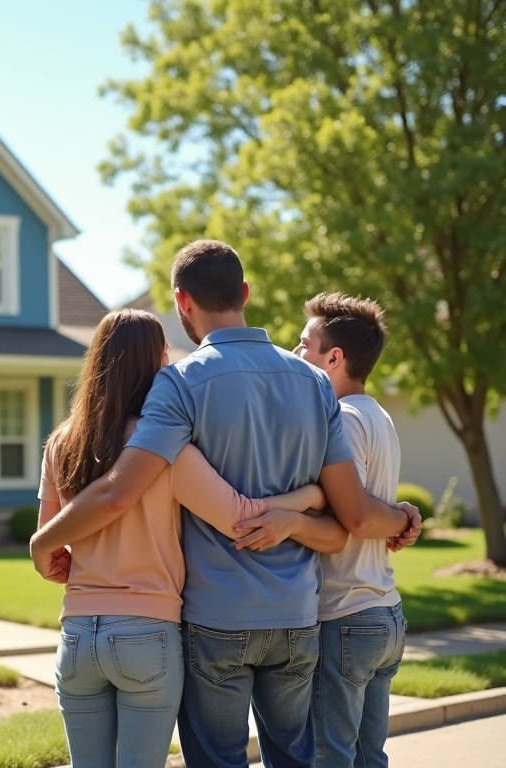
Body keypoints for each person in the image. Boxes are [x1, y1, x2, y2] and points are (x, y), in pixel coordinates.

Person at [31, 240, 421, 768]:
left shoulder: (177, 385)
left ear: (181, 302)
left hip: (212, 617)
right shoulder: (314, 383)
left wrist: (43, 541)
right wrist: (322, 509)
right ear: (244, 292)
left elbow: (121, 489)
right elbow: (345, 519)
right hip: (296, 614)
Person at [39, 307, 325, 768]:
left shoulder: (61, 444)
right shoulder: (165, 450)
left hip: (76, 635)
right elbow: (241, 517)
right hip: (146, 635)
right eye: (163, 351)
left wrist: (45, 551)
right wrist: (310, 495)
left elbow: (52, 539)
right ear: (153, 362)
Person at [293, 293, 407, 768]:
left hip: (345, 617)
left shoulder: (345, 419)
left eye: (305, 345)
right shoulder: (379, 415)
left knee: (330, 758)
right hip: (385, 614)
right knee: (368, 759)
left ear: (333, 357)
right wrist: (402, 518)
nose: (296, 354)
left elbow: (356, 515)